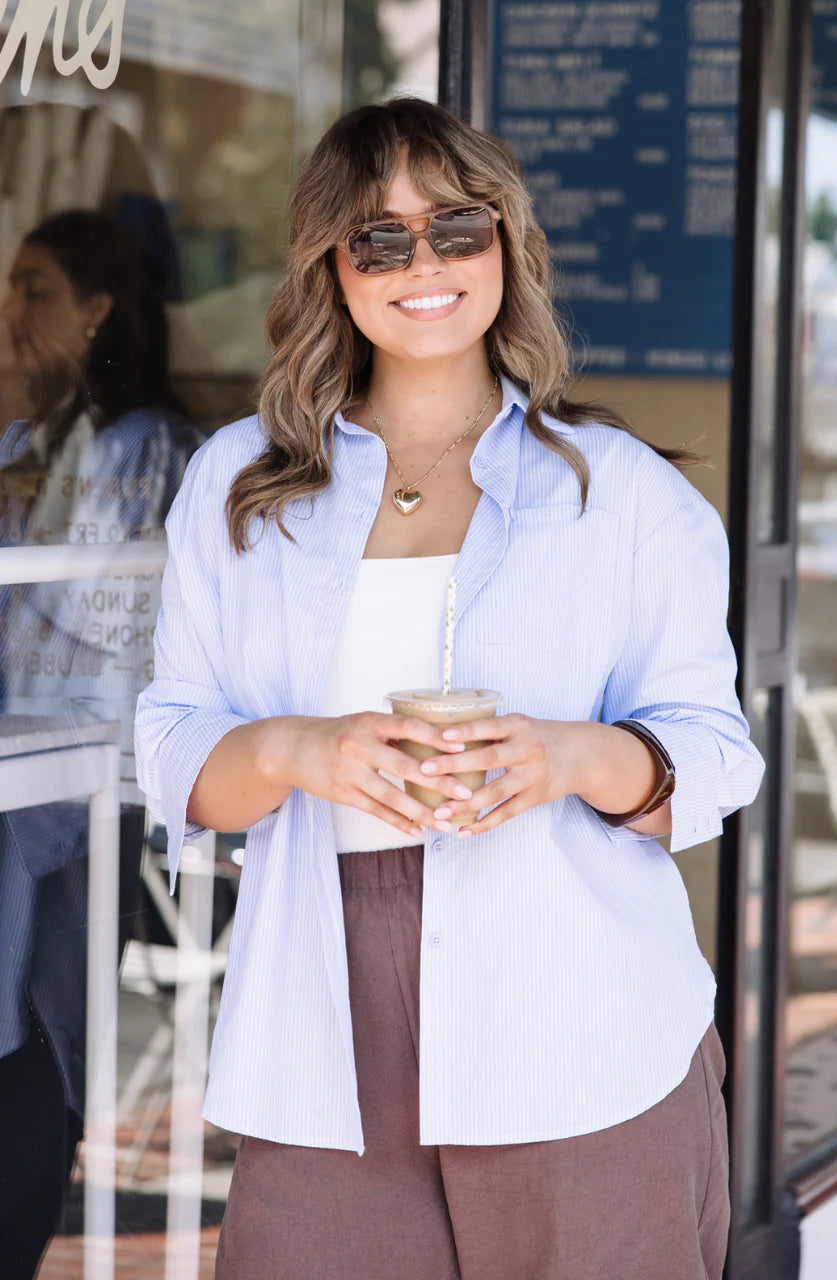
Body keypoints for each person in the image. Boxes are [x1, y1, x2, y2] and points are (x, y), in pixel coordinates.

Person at [135, 98, 765, 1280]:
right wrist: (296, 751)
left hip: (576, 1003)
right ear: (332, 264)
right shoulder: (238, 486)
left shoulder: (624, 494)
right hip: (324, 1006)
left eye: (455, 229)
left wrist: (571, 758)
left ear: (505, 245)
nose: (421, 265)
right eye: (378, 238)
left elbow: (715, 752)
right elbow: (174, 741)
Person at [0, 209, 199, 1278]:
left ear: (97, 309)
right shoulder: (37, 439)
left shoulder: (141, 447)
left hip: (81, 791)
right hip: (18, 784)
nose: (11, 310)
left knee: (40, 1037)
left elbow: (80, 618)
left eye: (35, 288)